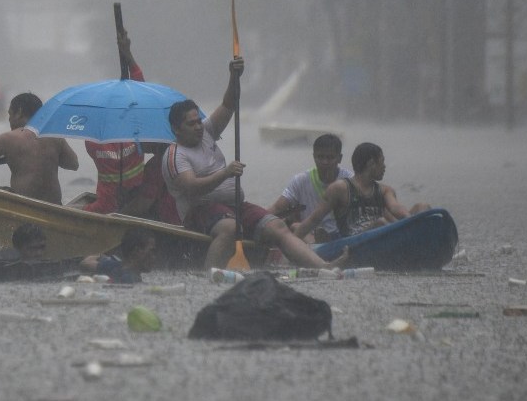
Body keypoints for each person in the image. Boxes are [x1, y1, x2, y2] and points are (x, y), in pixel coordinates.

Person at [162, 56, 348, 270]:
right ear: (177, 129)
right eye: (191, 124)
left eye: (198, 121)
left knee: (278, 226)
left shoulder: (206, 132)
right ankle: (209, 276)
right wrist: (225, 173)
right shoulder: (175, 155)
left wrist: (234, 76)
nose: (198, 127)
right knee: (231, 228)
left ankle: (324, 268)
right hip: (200, 211)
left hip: (235, 206)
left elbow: (228, 104)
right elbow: (191, 187)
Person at [81, 30, 175, 220]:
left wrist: (127, 54)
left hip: (125, 203)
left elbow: (139, 92)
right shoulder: (101, 139)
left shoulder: (157, 160)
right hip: (109, 204)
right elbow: (139, 93)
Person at [291, 142, 432, 241]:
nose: (384, 166)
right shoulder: (339, 189)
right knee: (380, 223)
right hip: (353, 240)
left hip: (384, 232)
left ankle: (421, 242)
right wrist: (291, 245)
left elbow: (395, 208)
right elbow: (313, 219)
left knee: (423, 207)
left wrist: (412, 221)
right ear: (371, 163)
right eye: (382, 162)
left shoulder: (385, 190)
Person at [0, 92, 79, 205]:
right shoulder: (54, 136)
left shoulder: (7, 139)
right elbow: (73, 164)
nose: (9, 119)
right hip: (54, 207)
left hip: (23, 206)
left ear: (19, 112)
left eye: (10, 114)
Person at [267, 133, 353, 242]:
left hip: (343, 235)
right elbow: (277, 208)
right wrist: (255, 221)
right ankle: (315, 243)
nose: (325, 162)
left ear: (339, 158)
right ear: (314, 157)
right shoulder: (300, 180)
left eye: (330, 158)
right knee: (295, 226)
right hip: (308, 233)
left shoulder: (349, 180)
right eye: (320, 157)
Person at [80, 227, 156, 284]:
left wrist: (101, 256)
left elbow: (85, 263)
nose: (154, 256)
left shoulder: (114, 265)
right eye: (151, 251)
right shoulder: (129, 279)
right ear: (136, 251)